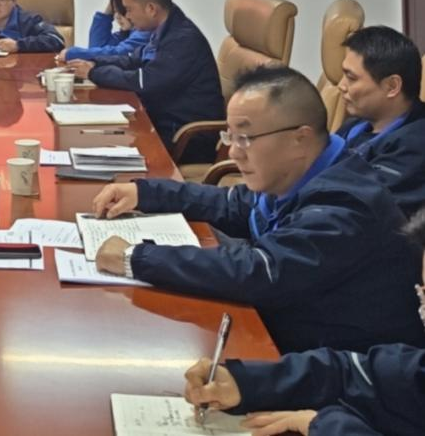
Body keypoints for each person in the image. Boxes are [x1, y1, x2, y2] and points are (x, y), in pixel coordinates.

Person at [91, 65, 424, 354]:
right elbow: (232, 203)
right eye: (230, 136)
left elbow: (260, 271)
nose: (233, 153)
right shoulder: (309, 173)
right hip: (288, 338)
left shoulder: (346, 205)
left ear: (300, 139)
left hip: (335, 375)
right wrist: (145, 192)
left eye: (246, 138)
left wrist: (136, 257)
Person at [182, 206, 425, 436]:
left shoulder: (349, 205)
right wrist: (247, 382)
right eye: (423, 291)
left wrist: (325, 425)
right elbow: (353, 375)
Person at [65, 0, 224, 162]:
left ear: (151, 9)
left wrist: (94, 73)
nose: (127, 16)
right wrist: (94, 63)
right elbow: (132, 60)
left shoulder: (183, 40)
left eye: (129, 9)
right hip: (157, 122)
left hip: (183, 139)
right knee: (90, 139)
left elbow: (144, 81)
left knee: (100, 152)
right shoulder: (164, 29)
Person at [335, 25, 425, 215]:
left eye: (351, 78)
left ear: (392, 86)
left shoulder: (416, 147)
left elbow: (361, 208)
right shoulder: (355, 125)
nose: (341, 85)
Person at [58, 0, 150, 62]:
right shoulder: (126, 34)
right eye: (115, 11)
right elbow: (97, 47)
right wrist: (108, 11)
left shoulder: (145, 32)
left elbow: (117, 53)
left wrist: (74, 53)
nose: (117, 17)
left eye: (121, 10)